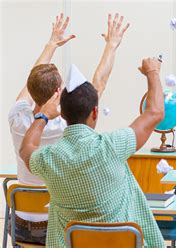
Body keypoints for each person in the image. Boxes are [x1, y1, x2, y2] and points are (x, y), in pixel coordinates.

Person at [19, 56, 166, 247]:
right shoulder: (113, 146)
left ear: (62, 114)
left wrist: (44, 115)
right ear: (95, 112)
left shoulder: (49, 159)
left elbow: (26, 149)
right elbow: (155, 112)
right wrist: (152, 72)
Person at [7, 13, 128, 244]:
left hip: (20, 227)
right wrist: (112, 45)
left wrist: (51, 44)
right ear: (58, 93)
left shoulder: (17, 117)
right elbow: (99, 84)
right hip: (57, 228)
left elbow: (31, 85)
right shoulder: (68, 124)